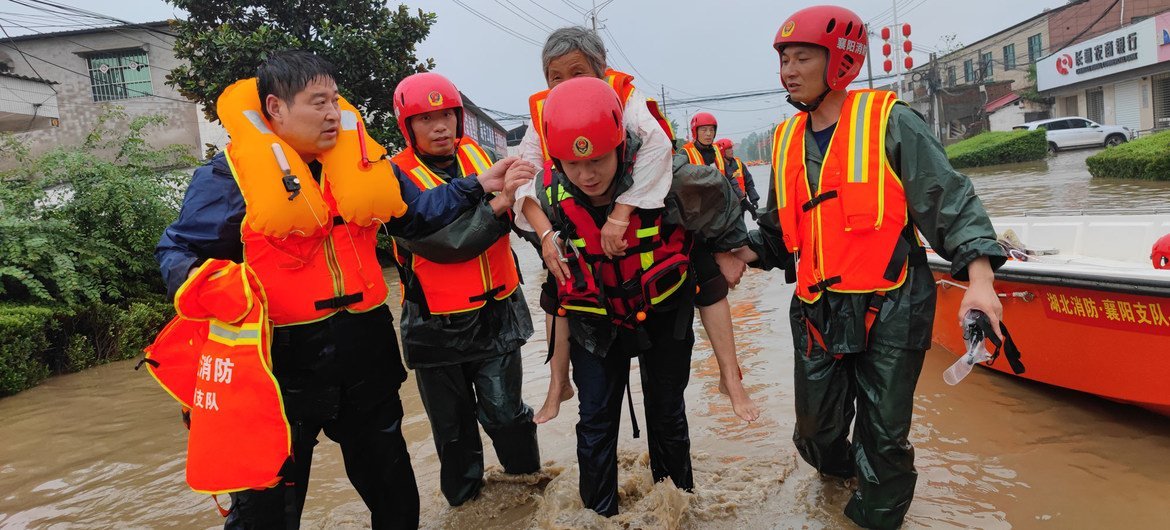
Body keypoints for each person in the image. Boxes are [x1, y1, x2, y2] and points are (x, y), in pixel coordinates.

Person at [730, 6, 1007, 529]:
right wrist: (736, 254)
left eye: (801, 57)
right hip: (817, 306)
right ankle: (838, 488)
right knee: (816, 434)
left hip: (893, 301)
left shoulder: (891, 119)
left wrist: (981, 283)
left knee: (883, 438)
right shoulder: (785, 139)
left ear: (840, 60)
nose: (788, 69)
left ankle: (871, 516)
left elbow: (950, 203)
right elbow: (777, 231)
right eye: (783, 59)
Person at [156, 51, 420, 529]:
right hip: (281, 369)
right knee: (267, 513)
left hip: (366, 357)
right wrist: (213, 287)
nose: (332, 113)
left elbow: (419, 211)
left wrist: (479, 187)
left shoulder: (360, 164)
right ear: (276, 108)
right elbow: (176, 252)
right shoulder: (228, 178)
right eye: (318, 102)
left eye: (336, 101)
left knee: (395, 496)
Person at [515, 26, 760, 424]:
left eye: (577, 74)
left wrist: (620, 214)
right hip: (581, 204)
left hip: (652, 183)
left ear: (601, 69)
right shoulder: (545, 112)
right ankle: (558, 381)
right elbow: (524, 176)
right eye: (554, 77)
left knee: (695, 211)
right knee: (557, 276)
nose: (564, 85)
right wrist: (545, 235)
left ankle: (731, 374)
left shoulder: (625, 97)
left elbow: (659, 148)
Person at [534, 76, 749, 517]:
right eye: (574, 165)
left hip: (663, 313)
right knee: (594, 421)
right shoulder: (550, 200)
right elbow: (557, 296)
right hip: (596, 324)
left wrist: (731, 376)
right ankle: (598, 517)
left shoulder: (668, 185)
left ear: (622, 146)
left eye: (598, 159)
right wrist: (558, 380)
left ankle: (679, 508)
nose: (587, 174)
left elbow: (708, 284)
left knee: (667, 412)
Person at [387, 72, 541, 506]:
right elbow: (446, 244)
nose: (440, 127)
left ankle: (528, 494)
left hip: (497, 313)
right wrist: (500, 202)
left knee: (508, 416)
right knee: (453, 434)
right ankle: (466, 508)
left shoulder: (481, 155)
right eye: (426, 118)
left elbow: (526, 210)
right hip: (436, 324)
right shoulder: (394, 179)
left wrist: (551, 242)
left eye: (447, 116)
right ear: (408, 125)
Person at [714, 138, 761, 216]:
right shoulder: (717, 168)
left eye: (731, 148)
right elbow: (730, 183)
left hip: (742, 204)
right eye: (728, 149)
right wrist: (746, 203)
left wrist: (754, 200)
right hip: (727, 208)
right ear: (722, 152)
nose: (731, 150)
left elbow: (749, 183)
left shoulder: (739, 164)